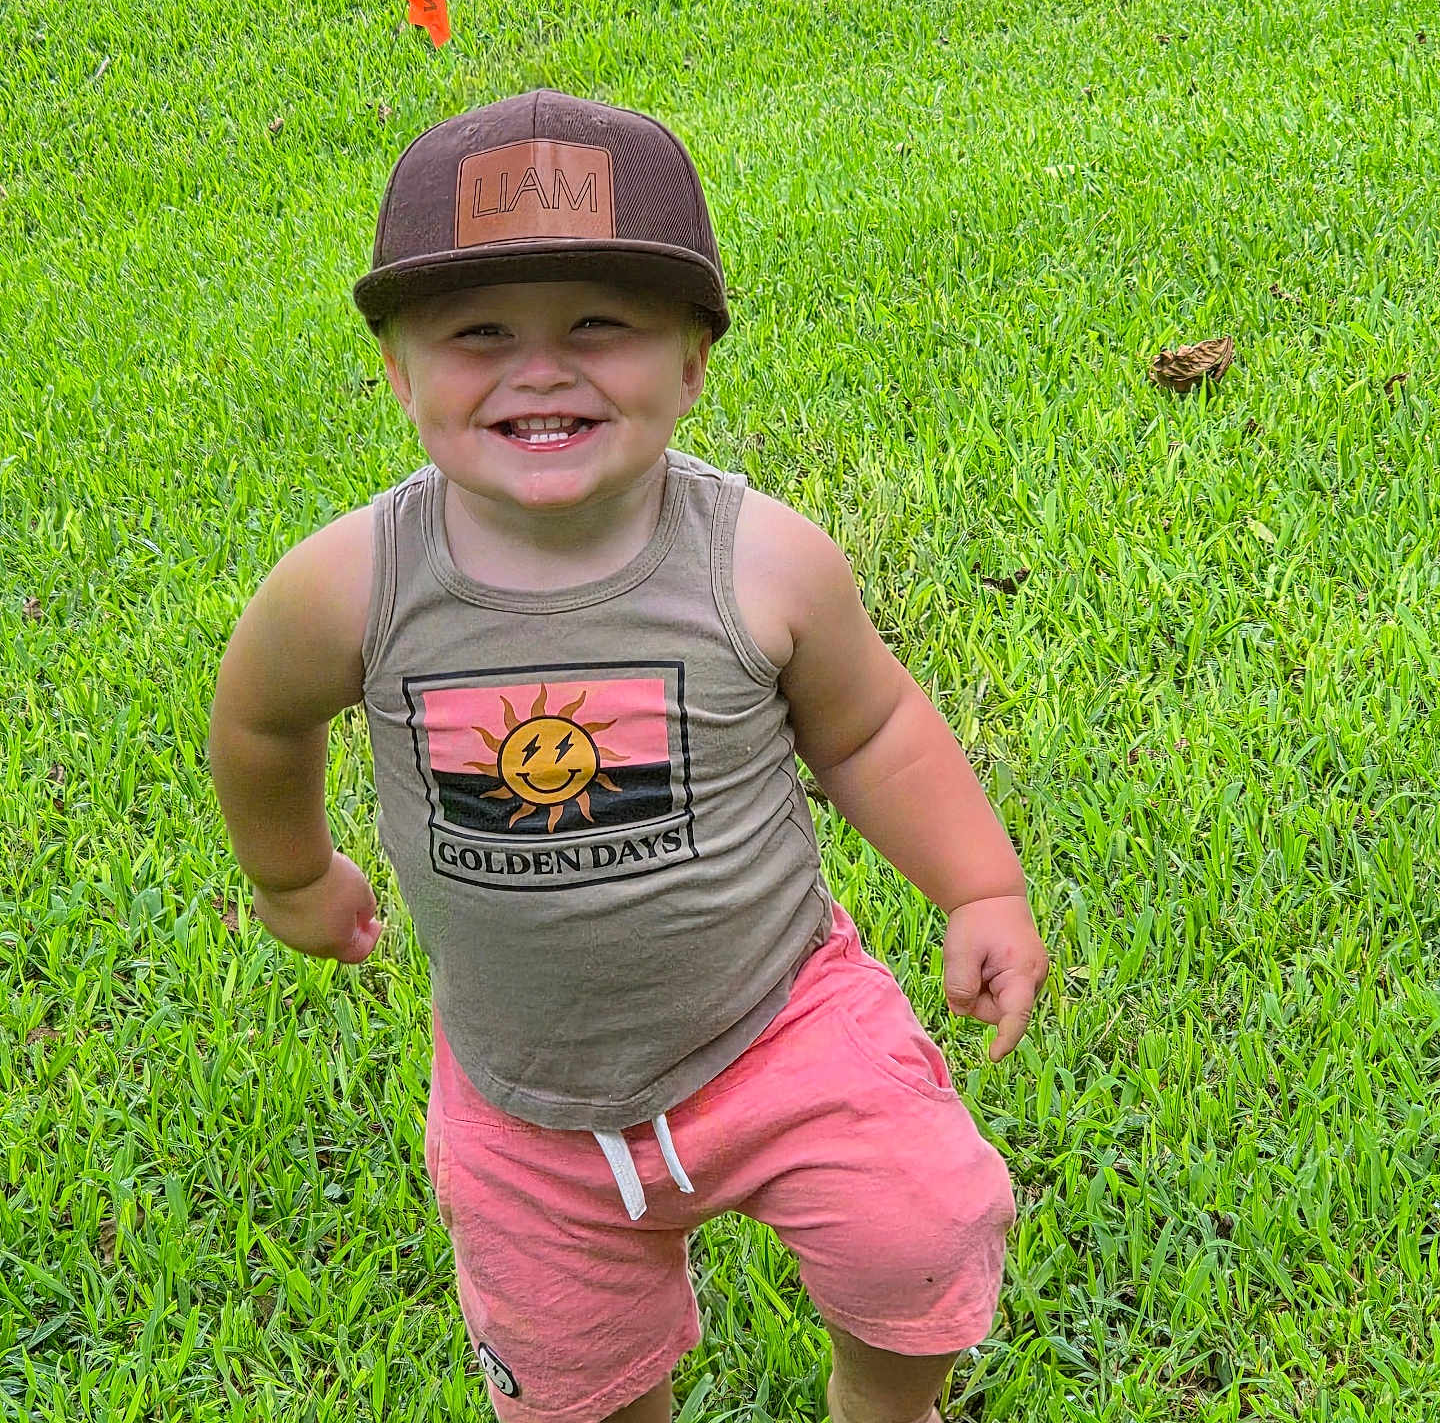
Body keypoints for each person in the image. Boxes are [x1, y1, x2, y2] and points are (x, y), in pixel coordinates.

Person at [208, 88, 1050, 1423]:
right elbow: (258, 718)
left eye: (601, 327)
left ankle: (888, 1405)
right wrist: (291, 875)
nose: (541, 370)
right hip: (524, 1098)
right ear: (398, 368)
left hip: (781, 1022)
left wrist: (981, 887)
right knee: (576, 1386)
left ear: (694, 360)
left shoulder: (758, 563)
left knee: (924, 1227)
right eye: (478, 334)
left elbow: (873, 727)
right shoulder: (350, 587)